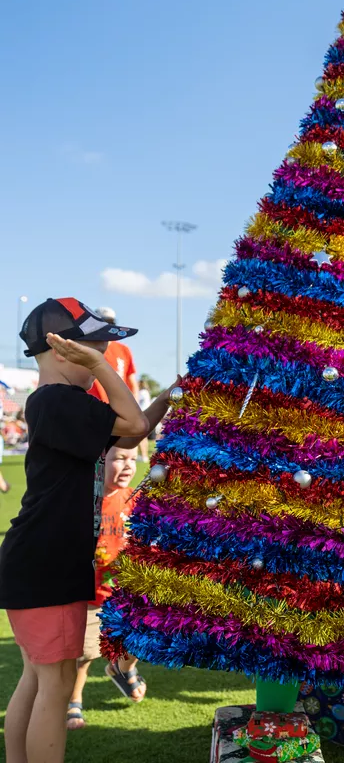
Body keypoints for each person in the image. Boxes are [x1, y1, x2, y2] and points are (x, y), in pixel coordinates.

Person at [0, 297, 148, 763]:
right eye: (95, 349)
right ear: (63, 351)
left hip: (37, 560)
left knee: (38, 678)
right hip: (49, 563)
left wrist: (173, 395)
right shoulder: (60, 400)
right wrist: (106, 372)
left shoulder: (59, 403)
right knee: (57, 684)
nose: (103, 358)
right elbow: (134, 421)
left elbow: (129, 434)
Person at [67, 370, 180, 730]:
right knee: (82, 655)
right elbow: (134, 429)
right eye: (119, 459)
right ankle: (74, 701)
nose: (126, 465)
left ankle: (122, 668)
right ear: (102, 462)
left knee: (140, 639)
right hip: (90, 592)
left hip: (125, 590)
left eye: (132, 461)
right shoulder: (92, 494)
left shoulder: (138, 500)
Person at [88, 306, 140, 404]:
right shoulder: (85, 347)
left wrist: (135, 409)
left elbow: (131, 382)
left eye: (110, 323)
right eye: (102, 322)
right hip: (90, 407)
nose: (106, 326)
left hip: (117, 409)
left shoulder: (123, 350)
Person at [137, 379, 152, 462]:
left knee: (140, 436)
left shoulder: (141, 392)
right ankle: (144, 455)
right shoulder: (146, 392)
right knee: (144, 437)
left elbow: (136, 402)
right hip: (147, 415)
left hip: (142, 415)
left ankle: (142, 456)